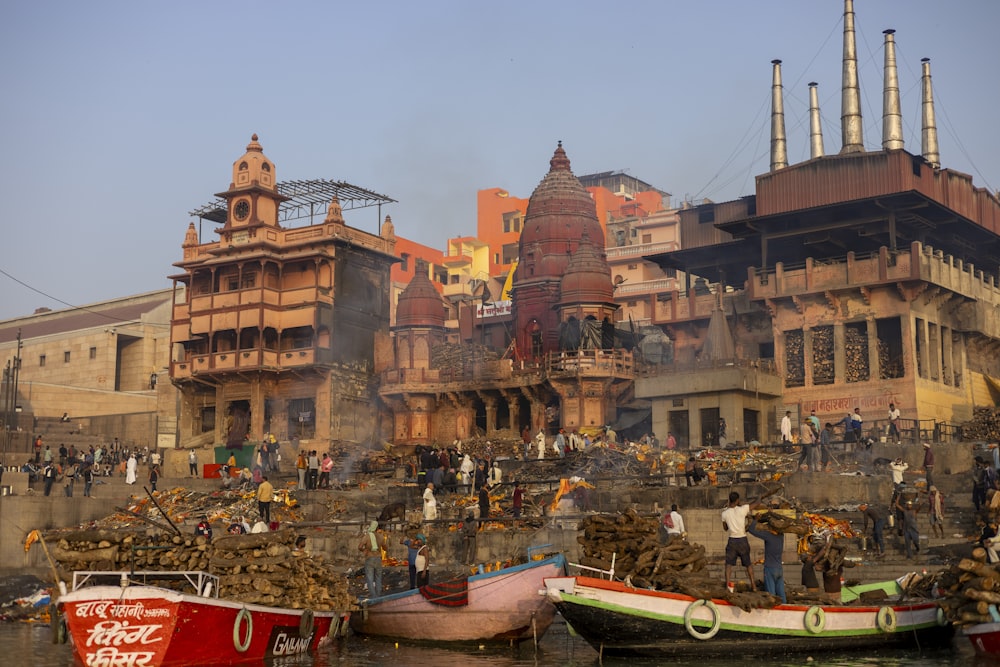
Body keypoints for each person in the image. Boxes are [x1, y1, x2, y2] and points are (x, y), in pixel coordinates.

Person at [721, 491, 759, 592]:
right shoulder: (743, 509)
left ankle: (727, 587)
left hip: (732, 540)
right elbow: (755, 504)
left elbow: (725, 528)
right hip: (743, 540)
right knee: (748, 564)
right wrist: (760, 497)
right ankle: (753, 586)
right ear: (737, 500)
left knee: (728, 565)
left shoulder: (724, 513)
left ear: (729, 500)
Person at [748, 515, 786, 604]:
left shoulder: (769, 536)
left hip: (770, 569)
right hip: (779, 569)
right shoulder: (781, 536)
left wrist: (755, 520)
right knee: (781, 594)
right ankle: (785, 608)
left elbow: (751, 530)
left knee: (771, 595)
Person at [359, 520, 387, 598]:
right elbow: (385, 548)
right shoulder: (381, 536)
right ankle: (378, 595)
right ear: (377, 528)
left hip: (370, 558)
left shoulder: (367, 536)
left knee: (370, 579)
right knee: (378, 578)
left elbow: (360, 546)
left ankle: (374, 596)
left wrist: (364, 550)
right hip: (378, 558)